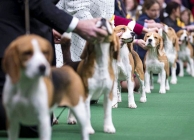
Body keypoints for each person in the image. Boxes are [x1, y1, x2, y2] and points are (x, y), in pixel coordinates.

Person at [0, 0, 109, 136]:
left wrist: (50, 26)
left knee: (37, 124)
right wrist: (76, 25)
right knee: (26, 121)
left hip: (36, 28)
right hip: (8, 38)